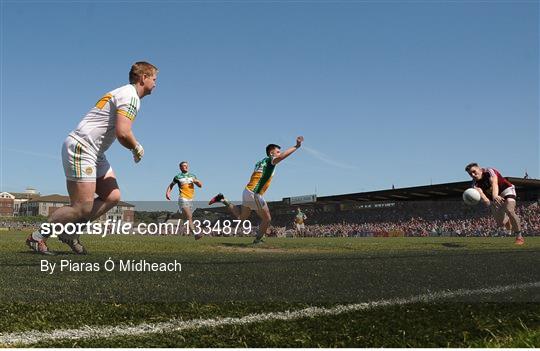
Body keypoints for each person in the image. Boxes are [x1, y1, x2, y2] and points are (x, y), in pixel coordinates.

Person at [26, 62, 158, 254]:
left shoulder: (124, 93)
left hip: (93, 151)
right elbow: (123, 132)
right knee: (82, 207)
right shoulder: (131, 96)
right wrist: (136, 147)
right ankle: (38, 237)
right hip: (82, 147)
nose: (155, 84)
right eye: (154, 79)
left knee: (113, 196)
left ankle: (70, 232)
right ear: (143, 78)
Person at [208, 136, 304, 244]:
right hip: (255, 193)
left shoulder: (260, 162)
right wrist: (297, 146)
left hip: (247, 191)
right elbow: (281, 157)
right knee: (267, 219)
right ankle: (258, 239)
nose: (279, 153)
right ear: (271, 153)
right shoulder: (270, 160)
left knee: (241, 217)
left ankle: (222, 199)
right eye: (277, 152)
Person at [465, 162, 524, 245]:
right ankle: (506, 220)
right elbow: (484, 198)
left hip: (506, 190)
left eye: (474, 171)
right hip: (493, 198)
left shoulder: (489, 171)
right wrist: (487, 202)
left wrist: (495, 195)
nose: (473, 175)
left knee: (510, 210)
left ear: (479, 168)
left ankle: (519, 236)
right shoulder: (475, 185)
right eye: (470, 174)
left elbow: (494, 183)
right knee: (500, 223)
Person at [165, 161, 202, 238]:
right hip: (183, 197)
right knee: (189, 216)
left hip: (190, 199)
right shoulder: (178, 177)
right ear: (180, 167)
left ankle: (172, 215)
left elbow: (200, 185)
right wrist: (167, 193)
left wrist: (197, 181)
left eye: (187, 166)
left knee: (185, 217)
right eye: (184, 166)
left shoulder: (192, 175)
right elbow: (171, 185)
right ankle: (195, 234)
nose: (186, 167)